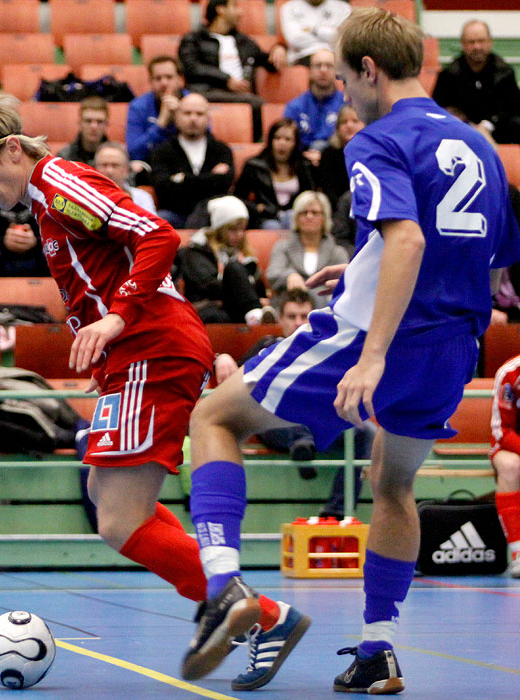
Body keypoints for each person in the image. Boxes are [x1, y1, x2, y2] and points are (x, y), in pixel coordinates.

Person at [180, 7, 520, 694]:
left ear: (368, 70)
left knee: (213, 417)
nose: (341, 91)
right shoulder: (478, 147)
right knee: (391, 485)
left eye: (340, 78)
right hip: (453, 345)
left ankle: (222, 586)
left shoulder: (376, 139)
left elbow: (409, 241)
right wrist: (364, 261)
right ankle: (377, 649)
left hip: (373, 337)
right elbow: (494, 267)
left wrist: (370, 353)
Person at [0, 94, 286, 686]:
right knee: (107, 495)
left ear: (11, 148)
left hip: (149, 350)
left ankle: (256, 614)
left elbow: (157, 234)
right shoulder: (44, 200)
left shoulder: (58, 183)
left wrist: (117, 318)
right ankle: (246, 608)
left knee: (118, 521)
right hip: (132, 357)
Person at [214, 288, 374, 518]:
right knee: (290, 407)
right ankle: (302, 443)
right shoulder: (266, 346)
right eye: (292, 316)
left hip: (316, 424)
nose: (298, 323)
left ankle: (336, 512)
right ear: (280, 318)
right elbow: (234, 381)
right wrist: (222, 357)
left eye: (304, 316)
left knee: (366, 431)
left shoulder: (328, 349)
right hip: (273, 426)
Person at [178, 0, 287, 141]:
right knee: (255, 103)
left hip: (241, 95)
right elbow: (191, 68)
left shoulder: (244, 42)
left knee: (259, 105)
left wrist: (279, 48)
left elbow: (269, 63)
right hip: (206, 92)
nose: (240, 13)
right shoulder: (194, 39)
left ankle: (251, 143)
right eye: (234, 6)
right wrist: (226, 80)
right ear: (220, 9)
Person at [173, 195, 275, 325]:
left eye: (242, 229)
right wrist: (235, 277)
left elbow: (259, 289)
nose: (239, 235)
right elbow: (208, 286)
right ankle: (255, 315)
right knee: (234, 268)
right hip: (210, 305)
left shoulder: (245, 254)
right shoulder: (196, 251)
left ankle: (256, 315)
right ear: (220, 229)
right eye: (233, 229)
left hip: (238, 307)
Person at [150, 92, 234, 228]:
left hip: (213, 216)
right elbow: (163, 189)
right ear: (176, 117)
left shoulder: (221, 149)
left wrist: (183, 179)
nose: (193, 119)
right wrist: (210, 178)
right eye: (187, 113)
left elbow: (223, 185)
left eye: (199, 114)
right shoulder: (162, 151)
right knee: (160, 219)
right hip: (176, 215)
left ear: (208, 118)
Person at [432, 20, 520, 145]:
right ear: (462, 44)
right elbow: (438, 110)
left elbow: (513, 108)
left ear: (490, 42)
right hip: (460, 132)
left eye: (481, 41)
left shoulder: (505, 73)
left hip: (497, 131)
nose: (477, 47)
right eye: (471, 42)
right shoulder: (449, 75)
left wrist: (486, 126)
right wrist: (468, 126)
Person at [266, 190, 349, 308]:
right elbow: (272, 274)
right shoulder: (282, 247)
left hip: (324, 304)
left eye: (315, 213)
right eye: (304, 213)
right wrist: (290, 276)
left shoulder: (337, 252)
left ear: (324, 218)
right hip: (289, 302)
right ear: (296, 218)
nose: (309, 216)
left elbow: (343, 282)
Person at [233, 118, 316, 230]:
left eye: (288, 139)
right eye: (277, 138)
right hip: (265, 217)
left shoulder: (305, 166)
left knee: (290, 217)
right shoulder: (254, 165)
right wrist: (257, 208)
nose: (282, 143)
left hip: (295, 216)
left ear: (295, 143)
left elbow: (311, 196)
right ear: (270, 141)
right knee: (272, 226)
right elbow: (238, 197)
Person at [284, 49, 345, 166]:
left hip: (337, 163)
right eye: (318, 65)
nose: (323, 70)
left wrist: (324, 156)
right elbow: (288, 141)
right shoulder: (294, 107)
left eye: (329, 66)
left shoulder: (347, 104)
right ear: (310, 70)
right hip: (302, 163)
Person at [490, 354, 520, 578]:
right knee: (511, 467)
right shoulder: (509, 373)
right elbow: (502, 431)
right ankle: (518, 553)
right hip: (510, 446)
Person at [126, 56, 187, 164]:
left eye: (169, 77)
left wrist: (180, 118)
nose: (163, 83)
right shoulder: (138, 106)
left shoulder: (194, 103)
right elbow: (134, 152)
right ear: (150, 81)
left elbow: (205, 144)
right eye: (158, 78)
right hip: (152, 164)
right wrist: (160, 125)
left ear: (180, 80)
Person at [316, 103, 364, 209]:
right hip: (338, 210)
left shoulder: (374, 154)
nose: (349, 125)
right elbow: (328, 191)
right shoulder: (329, 154)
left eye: (355, 121)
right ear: (337, 129)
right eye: (344, 122)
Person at [278, 0, 351, 67]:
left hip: (336, 58)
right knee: (322, 62)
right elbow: (295, 40)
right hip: (302, 58)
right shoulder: (289, 8)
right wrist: (329, 34)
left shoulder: (344, 8)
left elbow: (342, 39)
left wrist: (313, 30)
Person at [93, 142, 156, 214]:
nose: (109, 171)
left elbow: (151, 224)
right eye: (104, 165)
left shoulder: (142, 197)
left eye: (115, 165)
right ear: (95, 168)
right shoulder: (84, 197)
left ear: (126, 170)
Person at [58, 96, 109, 166]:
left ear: (106, 125)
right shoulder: (64, 157)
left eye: (99, 122)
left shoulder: (118, 157)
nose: (94, 126)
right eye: (88, 121)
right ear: (80, 123)